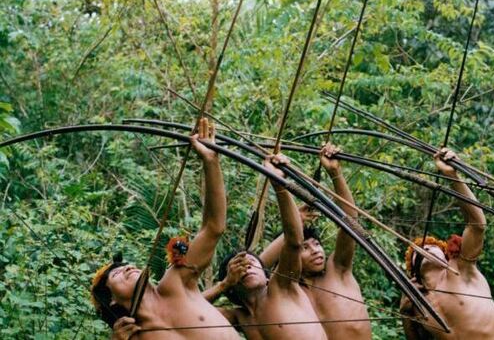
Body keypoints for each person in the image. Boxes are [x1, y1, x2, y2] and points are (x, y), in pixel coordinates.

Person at [91, 118, 240, 340]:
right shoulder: (132, 337)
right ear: (111, 300)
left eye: (126, 265)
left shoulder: (175, 282)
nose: (127, 268)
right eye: (116, 273)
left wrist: (210, 161)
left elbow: (213, 228)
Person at [208, 154, 328, 340]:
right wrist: (224, 284)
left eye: (252, 263)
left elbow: (294, 241)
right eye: (240, 267)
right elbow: (184, 310)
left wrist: (278, 184)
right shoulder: (239, 317)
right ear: (232, 284)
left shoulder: (281, 286)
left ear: (266, 274)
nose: (248, 268)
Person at [400, 148, 494, 340]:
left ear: (446, 255)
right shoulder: (418, 304)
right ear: (414, 272)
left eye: (431, 247)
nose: (425, 249)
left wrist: (452, 175)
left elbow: (477, 225)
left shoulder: (461, 268)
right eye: (418, 252)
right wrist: (406, 315)